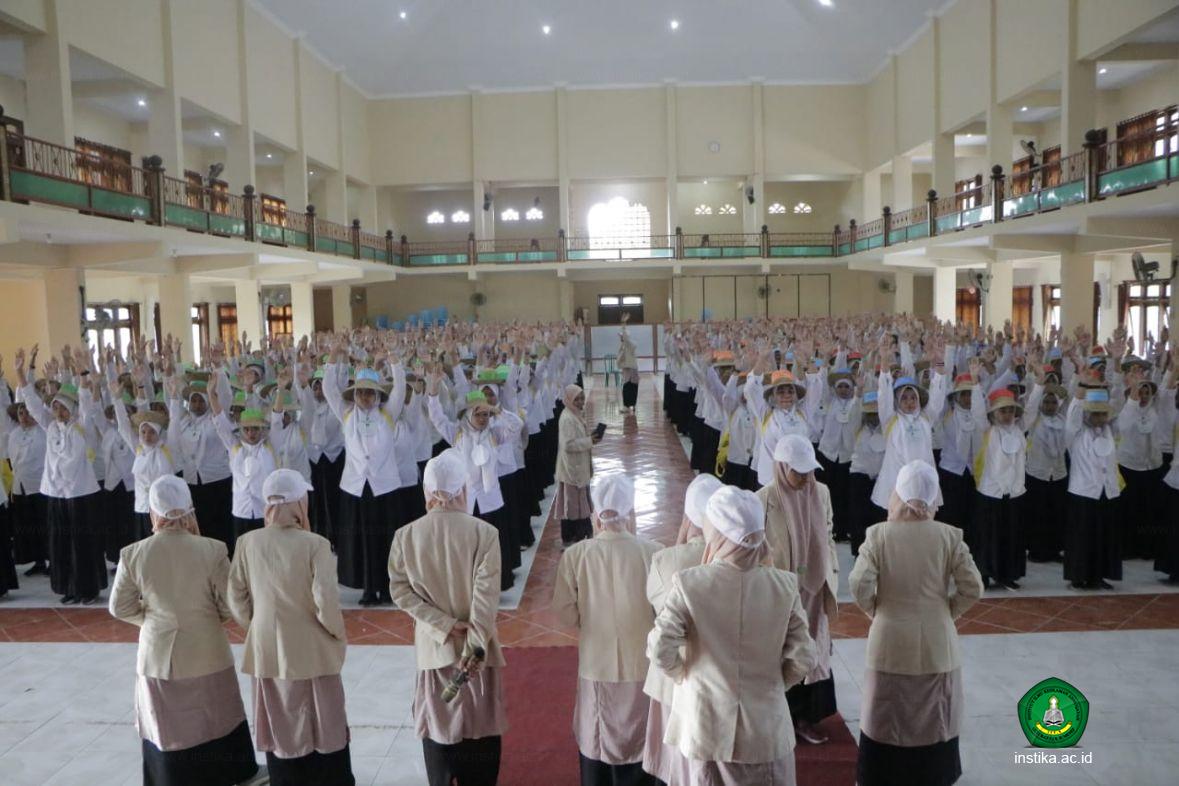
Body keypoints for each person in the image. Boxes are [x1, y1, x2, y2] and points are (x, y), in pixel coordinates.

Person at [649, 486, 816, 784]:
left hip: (705, 726)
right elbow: (804, 656)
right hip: (766, 727)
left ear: (715, 533)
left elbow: (661, 649)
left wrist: (684, 676)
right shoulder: (784, 586)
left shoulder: (689, 584)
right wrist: (775, 684)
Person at [109, 475, 258, 786]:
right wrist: (206, 620)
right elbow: (230, 605)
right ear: (190, 509)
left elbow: (119, 607)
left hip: (157, 656)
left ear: (152, 512)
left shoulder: (133, 553)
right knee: (216, 717)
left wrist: (152, 621)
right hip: (208, 651)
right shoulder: (212, 549)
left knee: (168, 725)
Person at [849, 460, 984, 786]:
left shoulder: (879, 535)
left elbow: (858, 584)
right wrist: (946, 612)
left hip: (890, 640)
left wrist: (877, 610)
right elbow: (973, 588)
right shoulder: (949, 536)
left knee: (887, 712)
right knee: (935, 714)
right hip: (938, 640)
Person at [228, 468, 354, 786]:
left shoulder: (247, 542)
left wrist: (259, 626)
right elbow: (325, 601)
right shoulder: (316, 544)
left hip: (267, 650)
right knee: (323, 719)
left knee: (280, 718)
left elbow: (236, 597)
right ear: (299, 503)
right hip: (313, 649)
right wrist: (337, 636)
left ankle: (286, 778)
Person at [389, 449, 507, 786]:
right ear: (463, 488)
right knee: (479, 732)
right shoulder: (484, 533)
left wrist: (442, 624)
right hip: (477, 655)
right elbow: (485, 601)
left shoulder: (406, 535)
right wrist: (473, 651)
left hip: (435, 651)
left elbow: (400, 591)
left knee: (439, 729)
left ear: (426, 490)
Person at [553, 473, 661, 786]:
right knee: (640, 732)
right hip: (642, 662)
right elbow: (664, 611)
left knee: (596, 734)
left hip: (595, 661)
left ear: (596, 514)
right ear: (631, 512)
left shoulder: (576, 555)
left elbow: (563, 612)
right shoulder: (653, 552)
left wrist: (587, 622)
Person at [757, 434, 840, 745]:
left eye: (809, 471)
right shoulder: (764, 499)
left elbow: (827, 531)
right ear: (782, 467)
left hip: (815, 587)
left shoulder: (821, 492)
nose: (806, 477)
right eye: (799, 471)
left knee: (814, 646)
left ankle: (807, 716)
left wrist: (828, 565)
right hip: (782, 589)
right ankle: (785, 716)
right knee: (785, 649)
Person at [641, 473, 722, 786]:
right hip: (719, 675)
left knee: (677, 758)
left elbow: (658, 610)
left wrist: (678, 543)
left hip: (676, 674)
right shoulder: (735, 558)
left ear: (688, 517)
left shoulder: (665, 560)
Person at [14, 350, 106, 605]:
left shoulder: (81, 425)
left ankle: (88, 589)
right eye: (55, 407)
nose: (58, 411)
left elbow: (85, 401)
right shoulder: (50, 426)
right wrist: (20, 372)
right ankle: (69, 587)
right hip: (55, 492)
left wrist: (83, 373)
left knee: (82, 542)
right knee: (61, 542)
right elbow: (33, 403)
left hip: (80, 492)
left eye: (62, 407)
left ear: (71, 409)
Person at [322, 342, 408, 606]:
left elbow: (400, 388)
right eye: (360, 393)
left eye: (370, 392)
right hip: (356, 487)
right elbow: (328, 389)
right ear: (355, 394)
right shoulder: (347, 414)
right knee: (362, 540)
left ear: (377, 394)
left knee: (385, 539)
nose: (365, 397)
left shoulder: (388, 413)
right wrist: (333, 357)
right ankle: (368, 588)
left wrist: (394, 361)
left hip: (385, 488)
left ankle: (388, 588)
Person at [1064, 388, 1123, 589]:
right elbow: (1073, 414)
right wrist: (1081, 388)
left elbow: (1125, 411)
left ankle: (1099, 575)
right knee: (1082, 537)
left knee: (1103, 535)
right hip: (1083, 492)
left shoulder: (1109, 431)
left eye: (1102, 414)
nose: (1099, 418)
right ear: (1087, 414)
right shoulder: (1076, 433)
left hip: (1107, 491)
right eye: (1095, 414)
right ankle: (1078, 576)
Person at [554, 384, 601, 548]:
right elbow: (568, 445)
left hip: (579, 466)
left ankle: (582, 534)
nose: (581, 402)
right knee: (572, 505)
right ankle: (572, 537)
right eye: (577, 399)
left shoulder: (575, 414)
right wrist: (589, 441)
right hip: (572, 469)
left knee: (579, 503)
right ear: (569, 400)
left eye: (582, 398)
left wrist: (591, 438)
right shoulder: (567, 418)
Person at [619, 317, 640, 412]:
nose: (621, 338)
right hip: (626, 370)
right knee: (626, 388)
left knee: (632, 387)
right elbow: (620, 357)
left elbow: (626, 338)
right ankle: (627, 406)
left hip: (632, 370)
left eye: (622, 336)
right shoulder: (623, 346)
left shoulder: (630, 344)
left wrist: (624, 324)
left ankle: (631, 405)